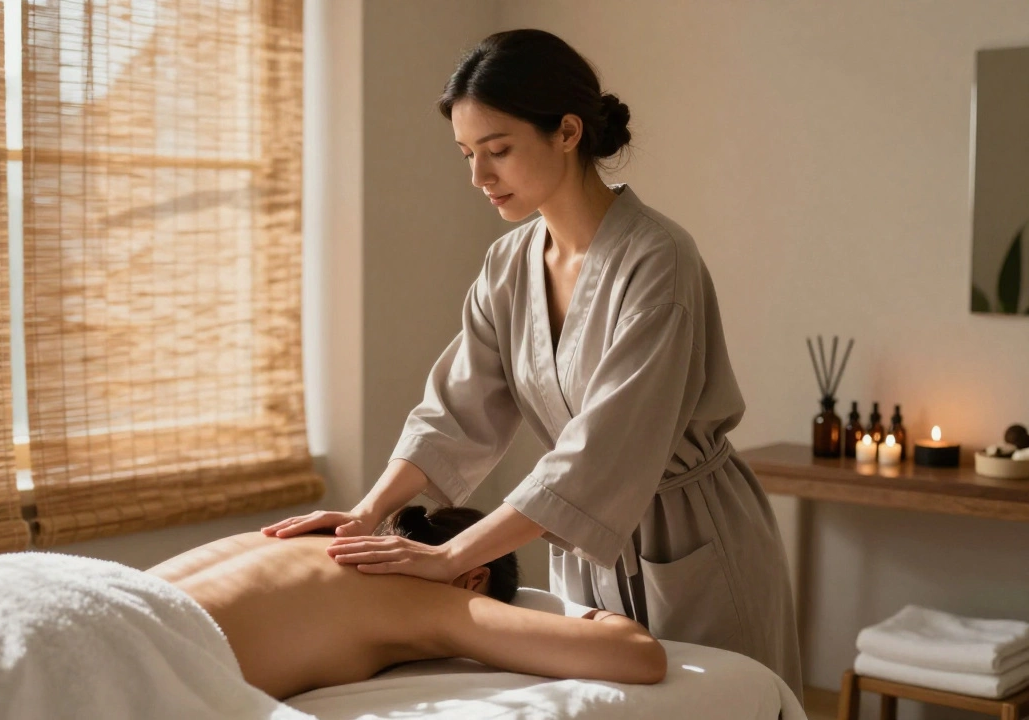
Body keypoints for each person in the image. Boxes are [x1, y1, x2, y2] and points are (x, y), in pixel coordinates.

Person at [263, 28, 803, 701]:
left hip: (693, 541)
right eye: (466, 154)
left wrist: (452, 558)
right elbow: (455, 412)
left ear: (568, 132)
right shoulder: (508, 265)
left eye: (498, 151)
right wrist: (366, 513)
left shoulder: (658, 263)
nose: (478, 178)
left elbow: (597, 454)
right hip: (582, 545)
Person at [148, 505, 666, 699]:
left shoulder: (306, 535)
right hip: (130, 652)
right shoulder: (423, 595)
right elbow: (640, 658)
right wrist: (593, 613)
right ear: (474, 580)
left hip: (89, 587)